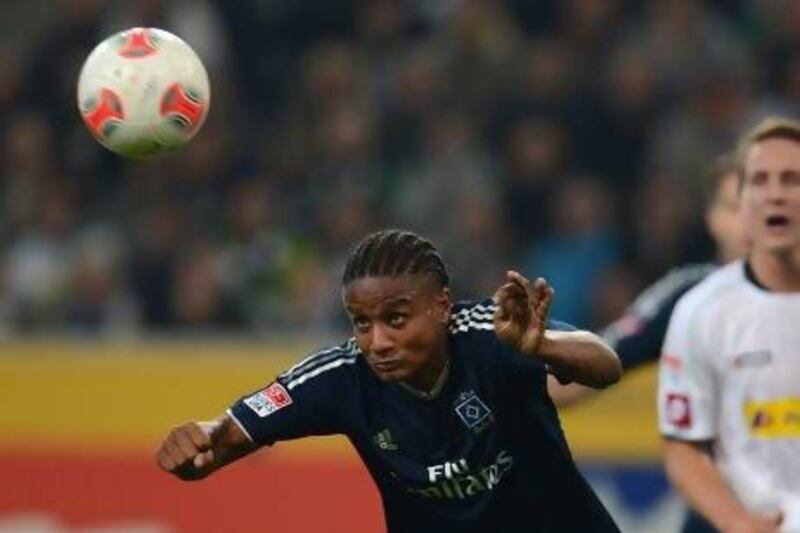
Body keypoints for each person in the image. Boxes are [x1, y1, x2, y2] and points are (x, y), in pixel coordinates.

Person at [156, 228, 622, 532]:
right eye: (361, 323)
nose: (376, 341)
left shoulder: (494, 334)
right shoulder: (343, 379)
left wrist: (541, 347)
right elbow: (230, 433)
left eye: (396, 319)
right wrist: (204, 437)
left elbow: (606, 364)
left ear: (441, 306)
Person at [658, 117, 800, 532]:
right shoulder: (701, 311)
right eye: (759, 181)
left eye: (791, 179)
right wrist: (737, 522)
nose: (774, 194)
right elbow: (684, 447)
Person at [548, 152, 748, 404]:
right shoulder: (686, 296)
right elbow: (592, 365)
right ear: (711, 217)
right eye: (734, 207)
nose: (748, 220)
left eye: (756, 205)